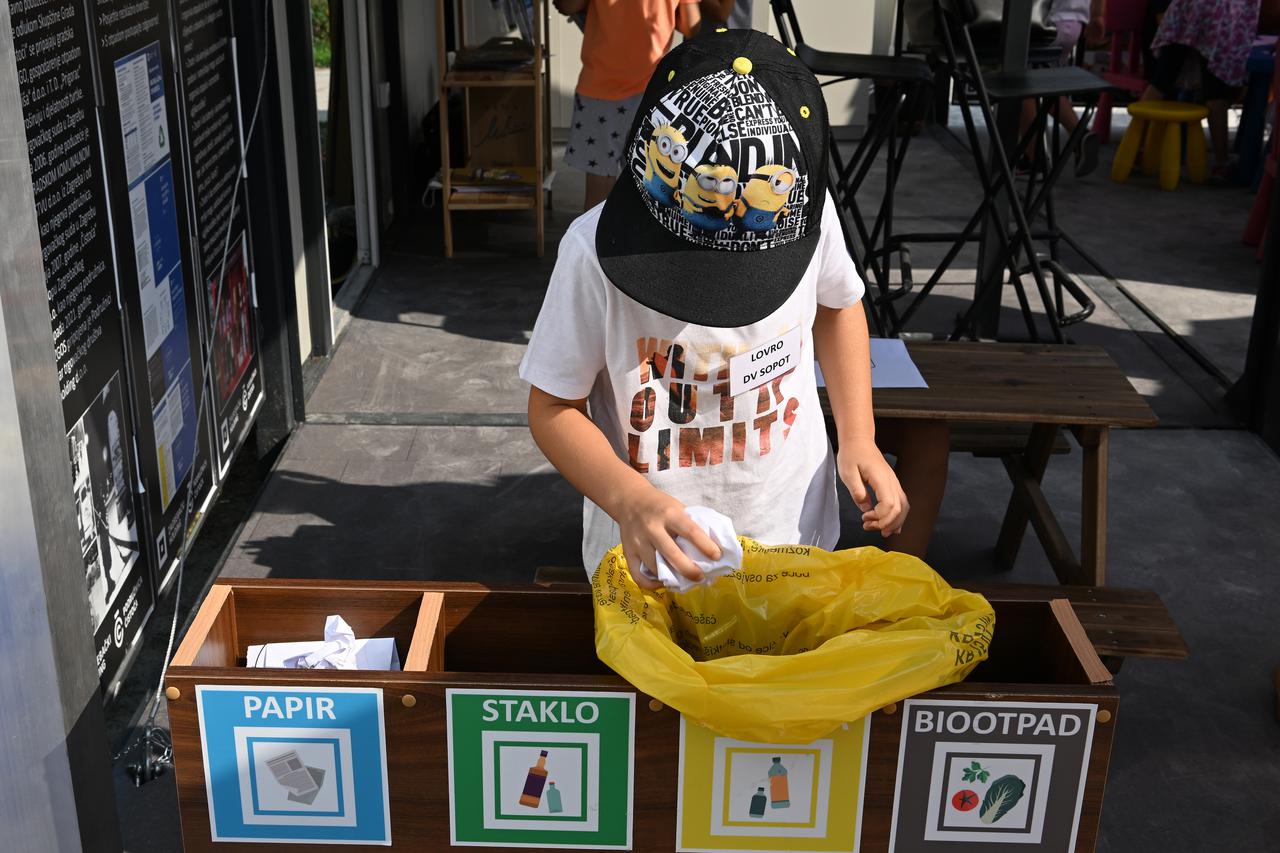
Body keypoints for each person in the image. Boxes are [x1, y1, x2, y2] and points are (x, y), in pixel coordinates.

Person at [521, 29, 924, 588]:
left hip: (789, 532)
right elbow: (552, 408)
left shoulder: (804, 211)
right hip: (647, 560)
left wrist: (858, 435)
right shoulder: (591, 254)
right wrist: (629, 498)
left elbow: (838, 305)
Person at [553, 0, 702, 211]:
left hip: (600, 87)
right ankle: (634, 242)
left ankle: (593, 243)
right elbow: (692, 26)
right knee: (647, 183)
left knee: (598, 186)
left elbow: (566, 5)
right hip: (652, 90)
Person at [1141, 0, 1262, 178]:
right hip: (1219, 13)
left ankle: (1137, 147)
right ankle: (1221, 162)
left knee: (1162, 80)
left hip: (1186, 10)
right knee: (1216, 89)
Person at [1019, 0, 1105, 176]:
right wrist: (1097, 16)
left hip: (1043, 21)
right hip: (1073, 24)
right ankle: (1079, 135)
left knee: (1021, 84)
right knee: (1044, 82)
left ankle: (1035, 160)